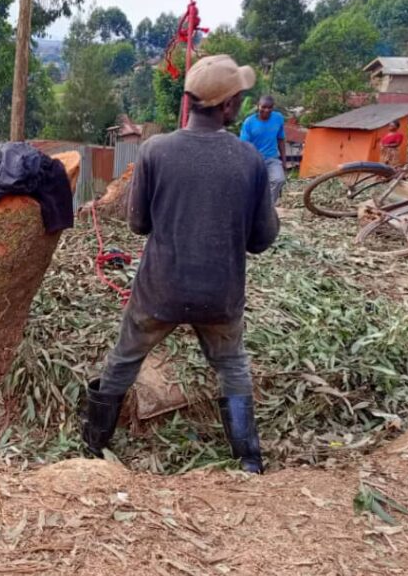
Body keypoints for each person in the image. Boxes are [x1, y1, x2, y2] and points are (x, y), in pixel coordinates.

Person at [82, 55, 280, 474]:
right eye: (239, 98)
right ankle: (249, 460)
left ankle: (92, 448)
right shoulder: (248, 159)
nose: (242, 104)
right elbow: (262, 240)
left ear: (189, 101)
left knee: (124, 358)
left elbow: (138, 223)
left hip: (160, 290)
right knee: (232, 364)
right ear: (228, 106)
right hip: (220, 295)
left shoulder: (155, 150)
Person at [239, 95, 287, 204]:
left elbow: (280, 139)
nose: (266, 110)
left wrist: (283, 161)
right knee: (252, 187)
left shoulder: (278, 118)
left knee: (279, 179)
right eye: (264, 107)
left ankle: (268, 207)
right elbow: (244, 145)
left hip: (272, 158)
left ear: (273, 107)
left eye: (270, 107)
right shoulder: (249, 122)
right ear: (258, 106)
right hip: (254, 160)